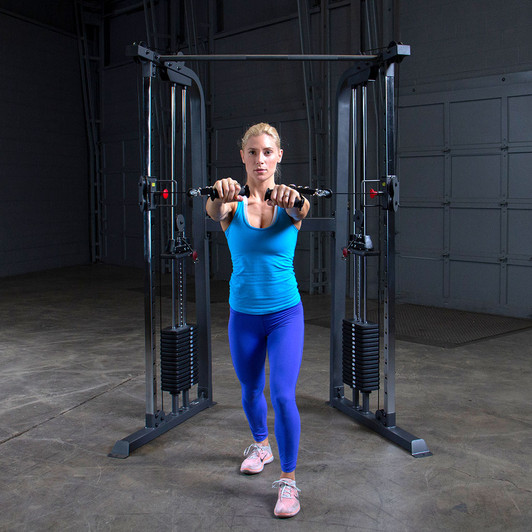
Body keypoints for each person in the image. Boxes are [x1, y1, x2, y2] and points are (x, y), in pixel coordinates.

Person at [205, 122, 310, 518]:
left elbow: (304, 207)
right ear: (243, 157)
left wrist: (295, 200)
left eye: (268, 151)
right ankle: (261, 445)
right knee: (250, 390)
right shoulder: (232, 205)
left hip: (285, 315)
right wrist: (217, 194)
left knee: (282, 394)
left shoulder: (290, 203)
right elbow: (213, 209)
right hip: (243, 315)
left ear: (279, 156)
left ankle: (289, 481)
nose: (260, 159)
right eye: (252, 152)